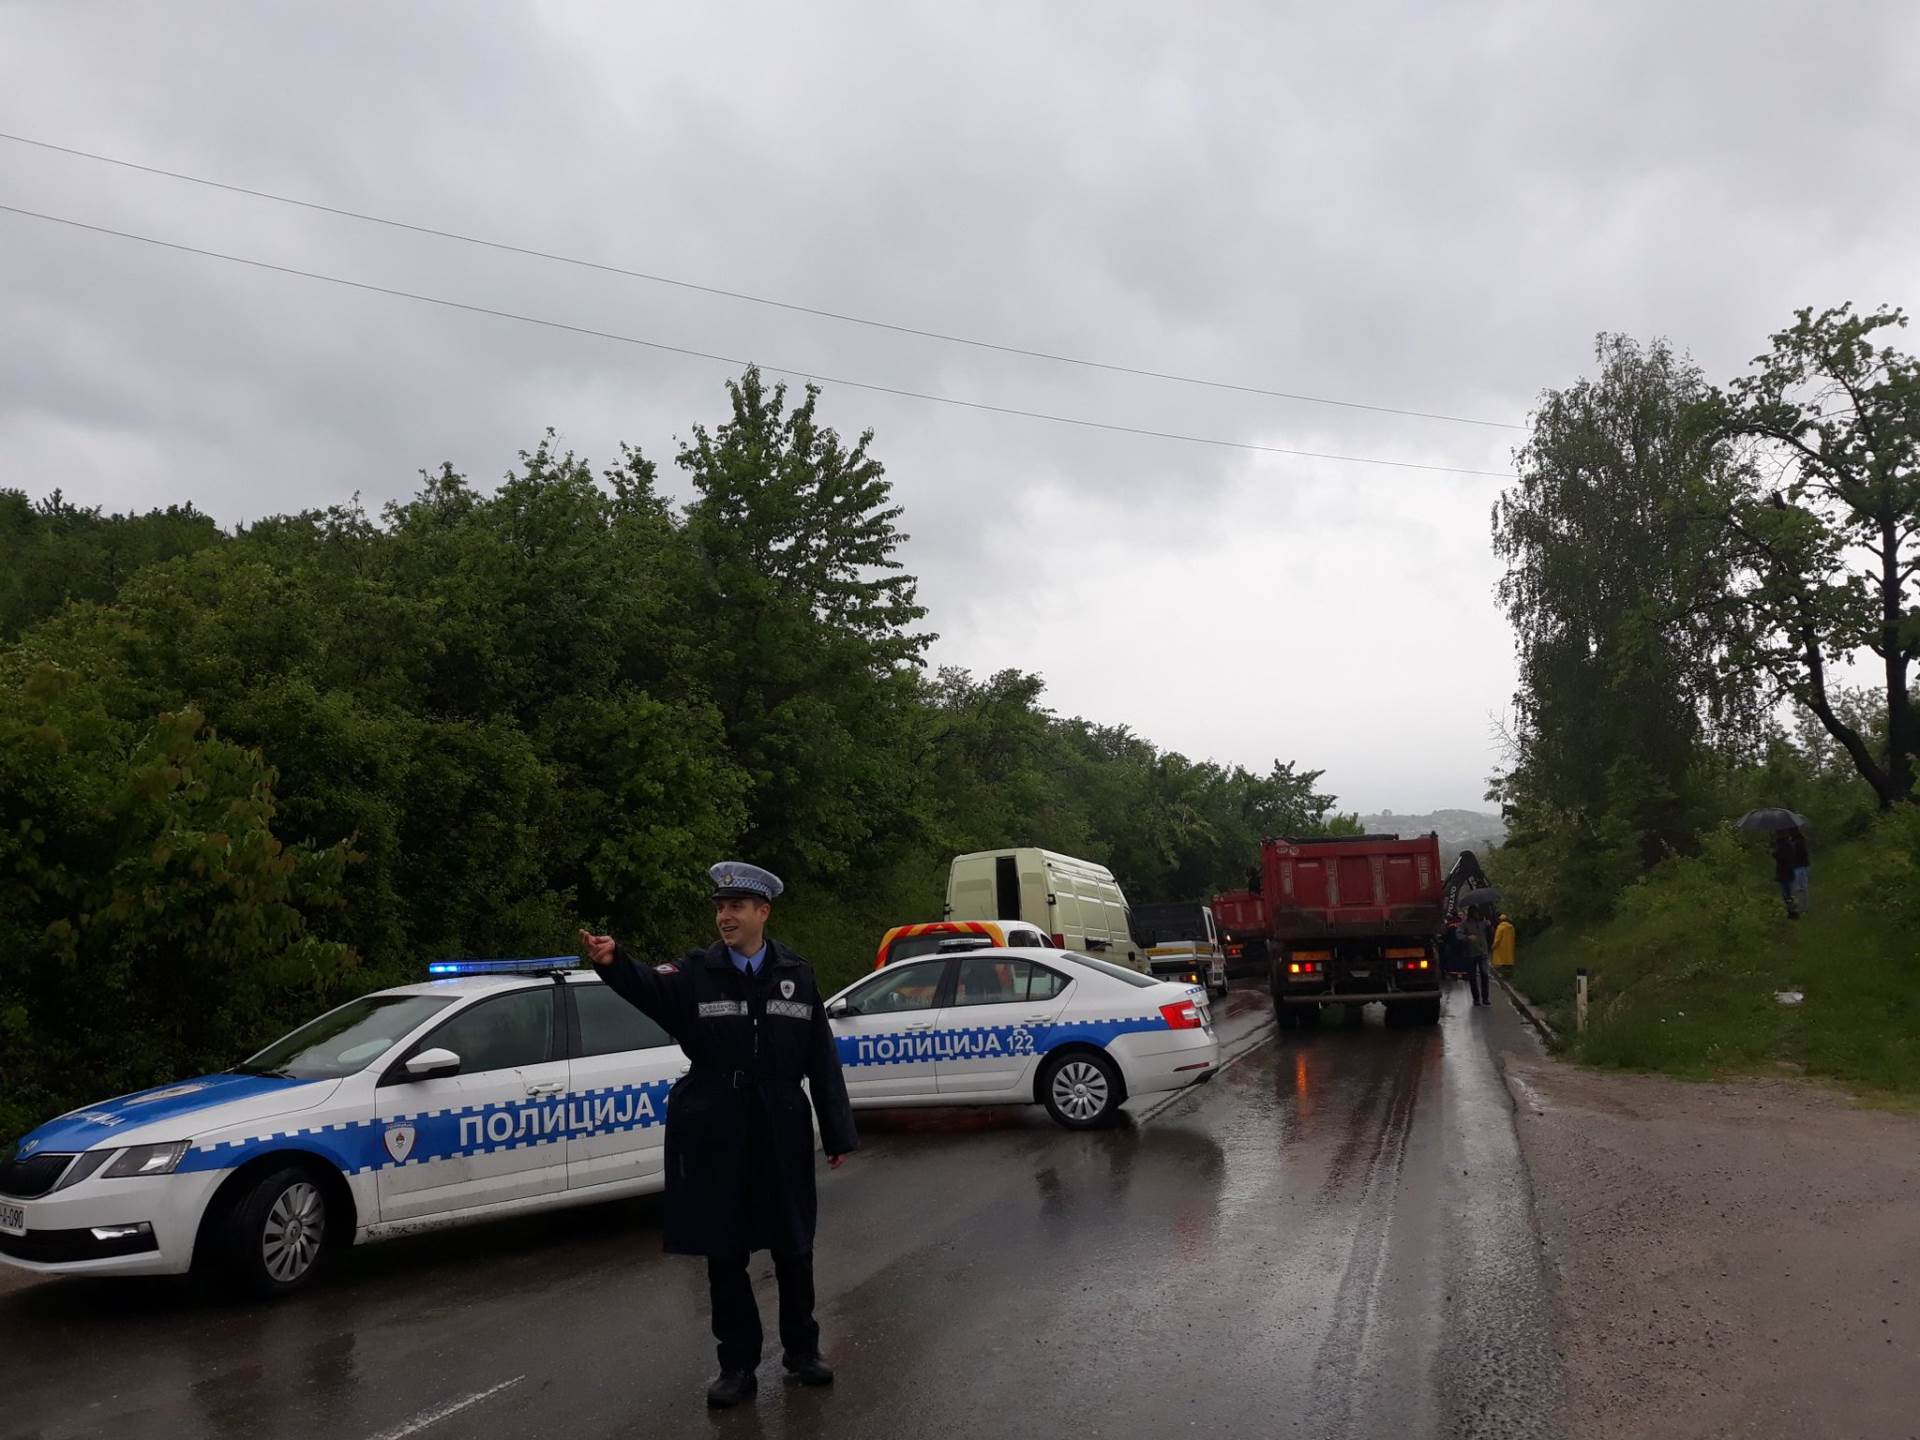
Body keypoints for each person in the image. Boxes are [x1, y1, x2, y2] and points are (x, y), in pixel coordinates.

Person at [578, 862, 858, 1411]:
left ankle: (803, 1352)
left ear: (762, 912)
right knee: (725, 1250)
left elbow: (821, 1056)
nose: (725, 916)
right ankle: (737, 1366)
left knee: (793, 1244)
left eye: (736, 907)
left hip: (780, 1121)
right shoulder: (695, 972)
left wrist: (836, 1132)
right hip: (718, 1124)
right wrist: (613, 962)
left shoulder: (797, 973)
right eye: (720, 908)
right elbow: (648, 988)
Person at [1773, 826, 1811, 919]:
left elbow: (1788, 856)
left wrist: (1776, 854)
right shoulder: (1788, 842)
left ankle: (1798, 909)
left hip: (1796, 868)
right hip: (1791, 869)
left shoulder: (1795, 842)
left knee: (1797, 890)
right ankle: (1795, 910)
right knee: (1790, 891)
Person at [1459, 908, 1493, 1008]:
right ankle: (1476, 999)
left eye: (1478, 912)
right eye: (1475, 913)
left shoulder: (1483, 922)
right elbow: (1459, 934)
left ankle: (1485, 998)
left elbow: (1491, 934)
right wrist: (1467, 937)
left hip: (1483, 952)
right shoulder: (1465, 923)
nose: (1477, 914)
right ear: (1471, 913)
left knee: (1485, 974)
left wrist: (1489, 926)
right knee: (1472, 977)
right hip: (1471, 953)